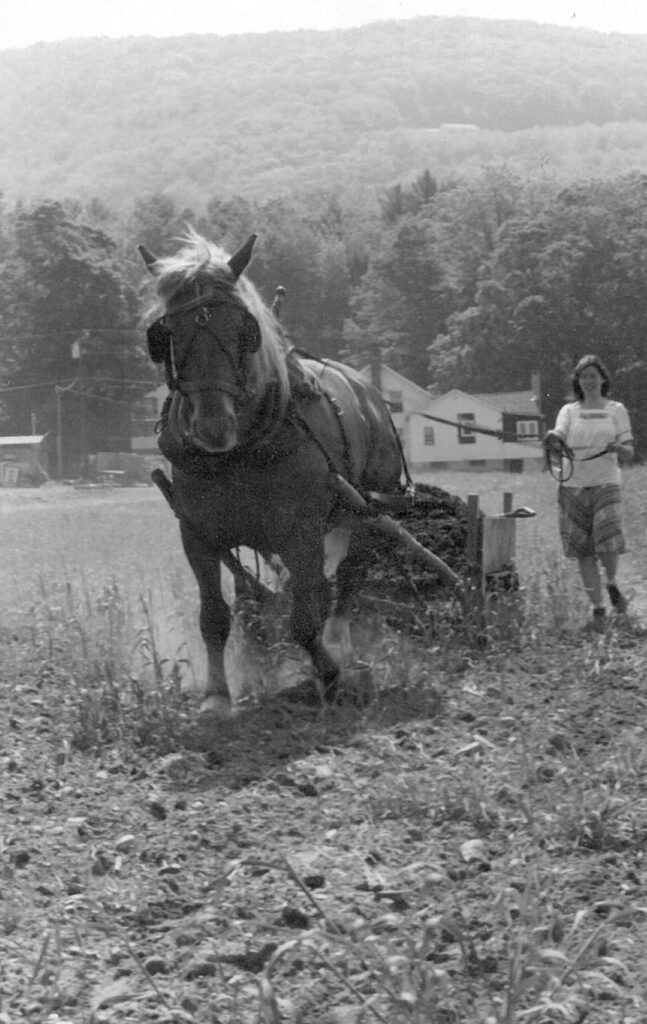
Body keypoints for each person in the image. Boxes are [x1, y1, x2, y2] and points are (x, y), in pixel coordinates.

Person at [544, 354, 634, 632]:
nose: (589, 381)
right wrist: (554, 438)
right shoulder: (569, 411)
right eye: (584, 376)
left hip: (606, 480)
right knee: (583, 549)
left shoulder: (616, 409)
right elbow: (559, 433)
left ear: (603, 379)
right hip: (573, 484)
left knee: (606, 540)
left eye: (594, 375)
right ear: (578, 382)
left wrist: (617, 448)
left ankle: (611, 582)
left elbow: (629, 451)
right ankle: (597, 608)